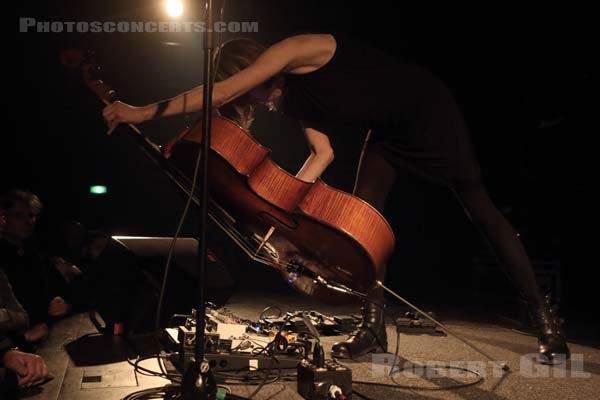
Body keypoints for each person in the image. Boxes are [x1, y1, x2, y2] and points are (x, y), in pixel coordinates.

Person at [102, 32, 569, 363]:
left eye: (255, 91)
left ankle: (545, 320)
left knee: (480, 209)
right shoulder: (296, 101)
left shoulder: (296, 50)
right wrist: (287, 211)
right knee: (360, 219)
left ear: (253, 69)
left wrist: (139, 111)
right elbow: (321, 154)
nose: (261, 102)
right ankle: (373, 327)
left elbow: (221, 89)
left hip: (427, 110)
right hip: (387, 135)